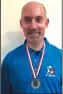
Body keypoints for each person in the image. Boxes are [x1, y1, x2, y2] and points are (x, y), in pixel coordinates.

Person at [1, 1, 62, 94]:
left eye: (38, 19)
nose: (33, 26)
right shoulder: (9, 61)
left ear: (46, 23)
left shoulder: (60, 57)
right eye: (27, 20)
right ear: (21, 23)